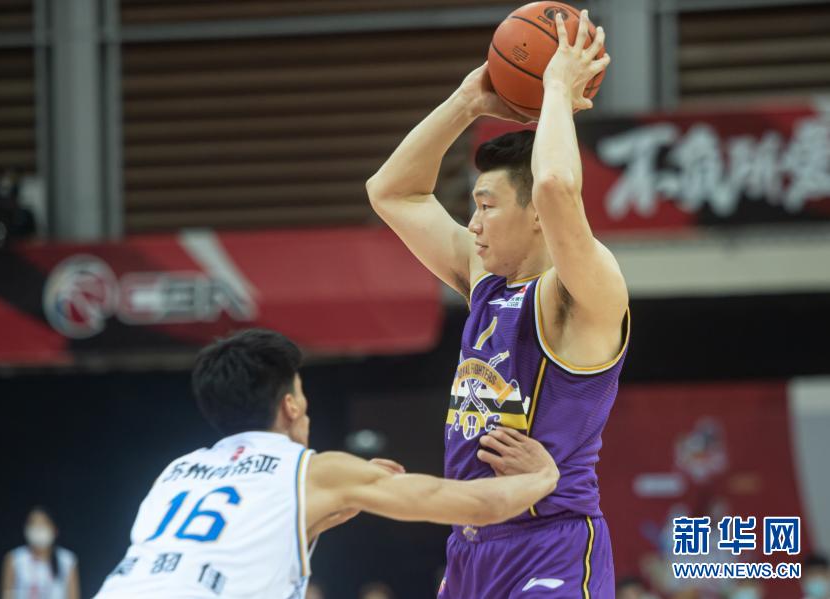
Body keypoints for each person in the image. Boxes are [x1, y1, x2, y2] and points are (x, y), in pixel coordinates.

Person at [367, 9, 626, 598]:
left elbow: (556, 186)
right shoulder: (486, 281)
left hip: (550, 541)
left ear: (535, 216)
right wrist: (467, 101)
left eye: (486, 205)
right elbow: (391, 192)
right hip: (469, 548)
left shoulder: (582, 293)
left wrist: (556, 86)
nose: (473, 223)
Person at [92, 328, 559, 598]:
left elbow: (235, 542)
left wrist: (331, 508)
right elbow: (476, 505)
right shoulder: (314, 469)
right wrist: (545, 475)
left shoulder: (177, 471)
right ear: (291, 406)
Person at [0, 507, 80, 599]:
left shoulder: (67, 560)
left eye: (43, 523)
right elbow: (6, 596)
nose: (38, 528)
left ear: (55, 529)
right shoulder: (15, 558)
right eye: (33, 523)